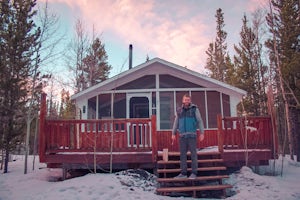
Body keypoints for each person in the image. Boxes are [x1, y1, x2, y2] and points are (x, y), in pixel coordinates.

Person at [171, 94, 205, 179]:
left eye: (188, 100)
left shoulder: (194, 109)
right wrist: (173, 133)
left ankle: (194, 173)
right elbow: (176, 122)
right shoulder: (179, 110)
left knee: (193, 154)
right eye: (185, 100)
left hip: (192, 136)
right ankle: (183, 173)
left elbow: (200, 121)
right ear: (183, 101)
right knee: (182, 155)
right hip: (182, 136)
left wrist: (202, 133)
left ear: (190, 100)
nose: (187, 101)